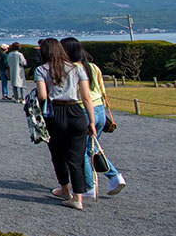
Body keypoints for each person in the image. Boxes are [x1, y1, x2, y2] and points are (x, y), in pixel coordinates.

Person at [34, 37, 95, 210]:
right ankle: (78, 197)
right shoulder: (77, 69)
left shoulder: (41, 70)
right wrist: (91, 120)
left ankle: (65, 189)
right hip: (76, 112)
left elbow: (43, 96)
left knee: (58, 154)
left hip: (56, 113)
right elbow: (86, 96)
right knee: (76, 157)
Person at [62, 37, 126, 197]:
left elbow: (80, 95)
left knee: (80, 150)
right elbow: (102, 90)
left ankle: (89, 186)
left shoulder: (72, 69)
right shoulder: (93, 67)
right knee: (92, 146)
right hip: (99, 109)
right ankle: (115, 177)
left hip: (83, 110)